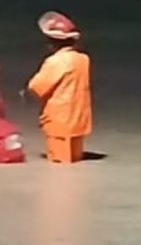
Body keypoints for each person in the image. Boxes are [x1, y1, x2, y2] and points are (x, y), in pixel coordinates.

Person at [27, 12, 93, 164]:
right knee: (76, 159)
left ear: (52, 42)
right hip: (79, 118)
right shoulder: (83, 59)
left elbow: (38, 86)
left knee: (59, 162)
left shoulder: (55, 61)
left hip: (59, 120)